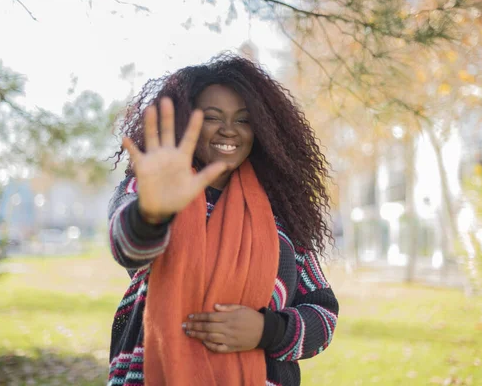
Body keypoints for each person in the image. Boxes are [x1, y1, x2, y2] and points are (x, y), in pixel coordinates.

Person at [107, 54, 339, 386]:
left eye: (243, 120)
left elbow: (323, 313)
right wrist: (152, 213)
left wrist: (267, 330)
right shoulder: (152, 189)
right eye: (212, 117)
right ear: (188, 122)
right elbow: (126, 249)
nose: (229, 129)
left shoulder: (282, 215)